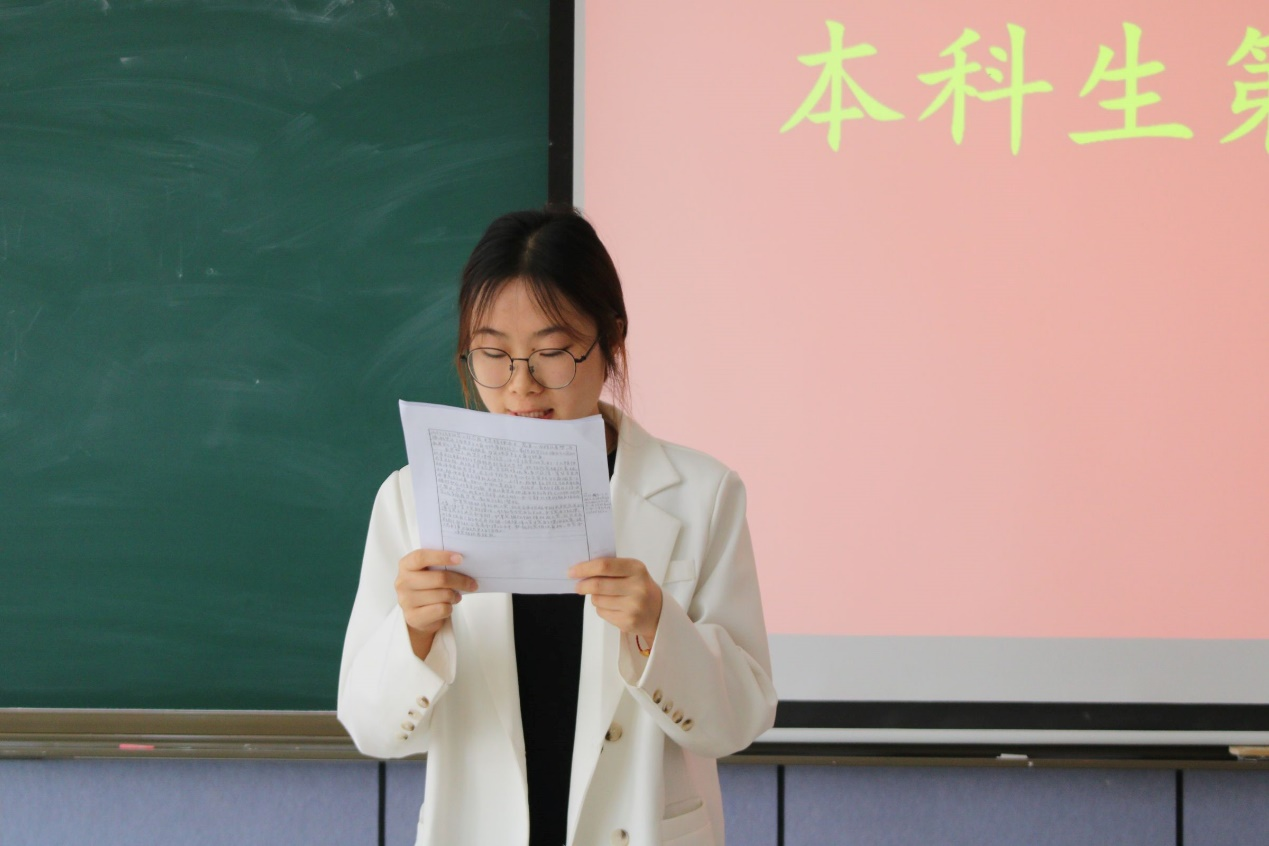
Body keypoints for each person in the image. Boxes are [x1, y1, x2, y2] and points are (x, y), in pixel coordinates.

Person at [337, 206, 776, 846]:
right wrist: (414, 634)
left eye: (552, 353)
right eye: (493, 354)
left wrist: (659, 628)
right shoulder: (412, 498)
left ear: (611, 340)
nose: (522, 386)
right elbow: (372, 730)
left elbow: (737, 723)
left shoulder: (702, 494)